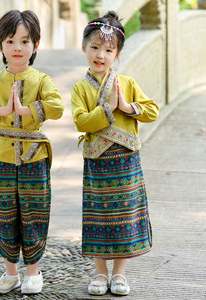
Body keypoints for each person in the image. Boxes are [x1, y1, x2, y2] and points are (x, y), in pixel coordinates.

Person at [0, 10, 64, 295]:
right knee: (3, 213)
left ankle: (33, 272)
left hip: (34, 157)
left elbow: (57, 106)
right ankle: (10, 272)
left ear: (35, 45)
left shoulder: (41, 79)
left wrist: (27, 110)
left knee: (34, 212)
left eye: (25, 41)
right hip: (0, 156)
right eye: (11, 41)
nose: (18, 48)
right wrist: (1, 110)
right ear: (0, 45)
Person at [71, 11, 159, 296]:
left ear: (117, 53)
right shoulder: (80, 88)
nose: (100, 54)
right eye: (94, 47)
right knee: (99, 216)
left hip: (125, 159)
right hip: (98, 160)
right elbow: (81, 121)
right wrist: (108, 108)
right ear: (84, 47)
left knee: (124, 216)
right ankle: (99, 273)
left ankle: (119, 275)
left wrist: (126, 106)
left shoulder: (128, 83)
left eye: (108, 50)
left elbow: (152, 111)